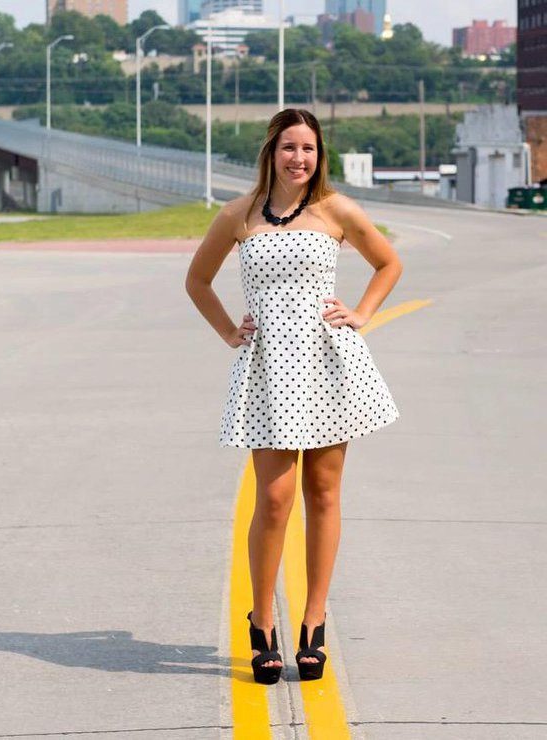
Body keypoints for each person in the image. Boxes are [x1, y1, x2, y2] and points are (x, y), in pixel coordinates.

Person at [185, 108, 402, 684]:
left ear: (319, 154)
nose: (298, 158)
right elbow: (197, 281)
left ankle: (313, 621)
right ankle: (262, 622)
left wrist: (362, 313)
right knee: (275, 500)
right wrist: (229, 331)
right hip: (269, 372)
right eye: (288, 148)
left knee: (324, 494)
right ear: (271, 152)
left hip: (327, 364)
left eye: (308, 148)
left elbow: (388, 263)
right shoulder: (238, 214)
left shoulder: (336, 210)